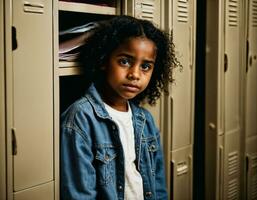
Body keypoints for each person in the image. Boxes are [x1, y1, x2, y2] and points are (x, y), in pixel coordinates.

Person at [60, 15, 180, 200]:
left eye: (146, 66)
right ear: (104, 60)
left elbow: (158, 185)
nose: (134, 74)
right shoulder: (80, 118)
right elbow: (80, 194)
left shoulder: (145, 120)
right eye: (125, 61)